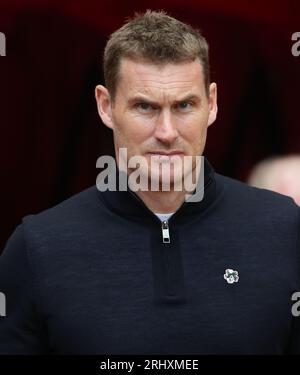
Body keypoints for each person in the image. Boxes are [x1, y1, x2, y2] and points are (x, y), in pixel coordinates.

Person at [0, 10, 299, 355]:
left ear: (212, 104)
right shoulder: (38, 248)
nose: (167, 132)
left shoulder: (285, 230)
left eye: (185, 105)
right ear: (106, 106)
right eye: (145, 107)